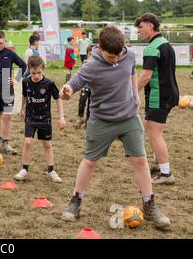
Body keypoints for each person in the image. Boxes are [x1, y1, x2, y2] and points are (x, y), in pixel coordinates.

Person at [59, 25, 171, 229]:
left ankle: (149, 204)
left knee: (141, 160)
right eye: (112, 57)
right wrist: (66, 91)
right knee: (90, 162)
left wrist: (135, 95)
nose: (116, 59)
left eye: (118, 55)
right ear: (100, 48)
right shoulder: (91, 66)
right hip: (101, 120)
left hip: (129, 118)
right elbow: (73, 84)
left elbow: (132, 70)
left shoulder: (126, 56)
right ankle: (76, 200)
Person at [135, 13, 179, 184]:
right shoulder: (166, 44)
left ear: (150, 26)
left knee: (154, 133)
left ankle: (166, 174)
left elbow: (145, 76)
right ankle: (159, 164)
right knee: (150, 128)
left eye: (140, 27)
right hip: (168, 94)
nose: (138, 31)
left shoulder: (152, 48)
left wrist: (131, 92)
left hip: (159, 97)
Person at [14, 55, 66, 182]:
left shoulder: (49, 83)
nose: (36, 75)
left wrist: (61, 117)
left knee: (47, 144)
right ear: (29, 70)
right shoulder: (26, 82)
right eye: (33, 73)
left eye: (39, 72)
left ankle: (51, 170)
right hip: (31, 117)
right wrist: (22, 109)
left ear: (43, 69)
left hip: (45, 119)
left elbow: (58, 99)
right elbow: (25, 97)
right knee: (27, 142)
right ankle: (24, 169)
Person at [75, 44, 94, 128]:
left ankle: (88, 120)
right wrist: (80, 87)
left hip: (93, 89)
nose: (91, 56)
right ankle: (80, 118)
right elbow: (81, 77)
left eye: (93, 55)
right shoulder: (85, 64)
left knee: (91, 104)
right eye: (90, 54)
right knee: (82, 102)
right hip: (85, 87)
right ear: (87, 55)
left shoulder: (98, 65)